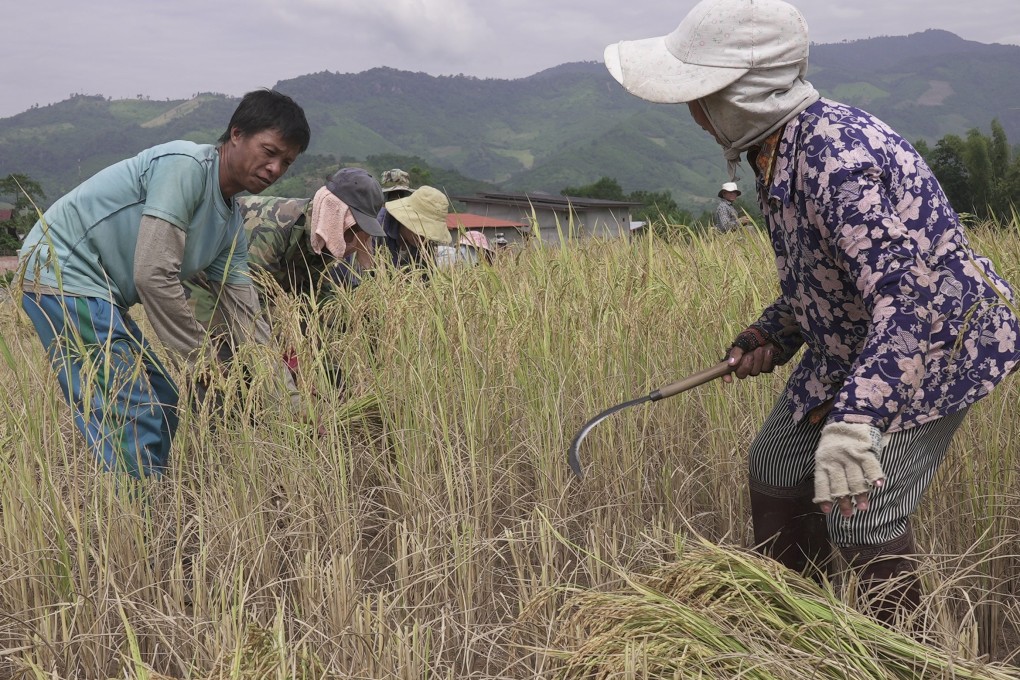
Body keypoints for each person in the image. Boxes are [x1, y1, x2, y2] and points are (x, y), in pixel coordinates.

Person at [604, 0, 1020, 624]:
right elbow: (827, 280)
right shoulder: (777, 151)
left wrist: (855, 425)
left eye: (702, 95)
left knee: (860, 504)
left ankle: (903, 659)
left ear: (742, 95)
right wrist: (769, 331)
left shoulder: (835, 158)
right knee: (775, 461)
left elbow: (907, 301)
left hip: (935, 344)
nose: (693, 111)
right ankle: (795, 628)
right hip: (857, 344)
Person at [18, 89, 311, 480]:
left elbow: (249, 322)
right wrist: (203, 361)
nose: (274, 169)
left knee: (165, 401)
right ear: (236, 135)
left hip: (100, 294)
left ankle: (144, 504)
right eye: (269, 151)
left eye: (286, 162)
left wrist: (292, 409)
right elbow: (153, 274)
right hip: (61, 270)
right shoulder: (186, 167)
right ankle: (134, 525)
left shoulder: (230, 229)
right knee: (136, 410)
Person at [380, 185, 452, 268]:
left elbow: (427, 274)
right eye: (423, 229)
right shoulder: (379, 228)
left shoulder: (425, 243)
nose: (425, 237)